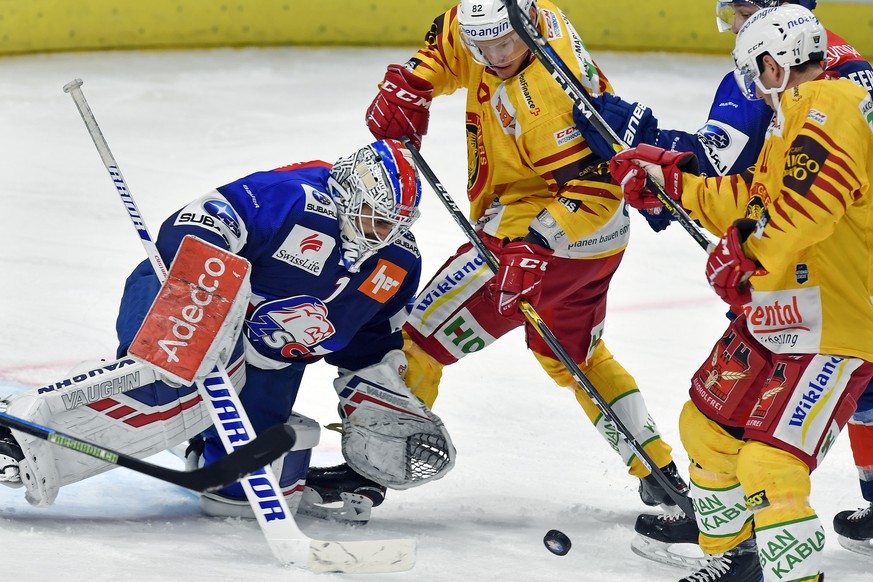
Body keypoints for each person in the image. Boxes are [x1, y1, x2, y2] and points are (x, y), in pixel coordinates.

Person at [306, 0, 691, 517]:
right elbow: (449, 42)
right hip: (598, 245)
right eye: (482, 45)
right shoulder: (510, 15)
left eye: (504, 44)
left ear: (527, 29)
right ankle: (658, 470)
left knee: (417, 339)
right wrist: (414, 85)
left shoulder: (548, 100)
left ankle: (370, 472)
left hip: (543, 235)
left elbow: (600, 183)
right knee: (576, 358)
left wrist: (536, 243)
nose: (493, 55)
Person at [0, 138, 441, 521]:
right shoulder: (290, 198)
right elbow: (190, 232)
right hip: (184, 293)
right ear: (347, 191)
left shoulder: (397, 263)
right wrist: (213, 305)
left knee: (239, 494)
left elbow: (367, 343)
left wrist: (376, 394)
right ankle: (21, 438)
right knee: (178, 382)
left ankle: (200, 442)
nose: (386, 233)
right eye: (377, 217)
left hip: (264, 357)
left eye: (398, 223)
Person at [573, 0, 873, 563]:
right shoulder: (797, 111)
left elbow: (811, 210)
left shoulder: (835, 107)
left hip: (831, 322)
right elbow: (754, 198)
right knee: (705, 432)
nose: (753, 90)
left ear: (774, 64)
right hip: (780, 310)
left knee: (771, 464)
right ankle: (735, 563)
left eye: (755, 74)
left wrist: (747, 256)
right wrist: (671, 178)